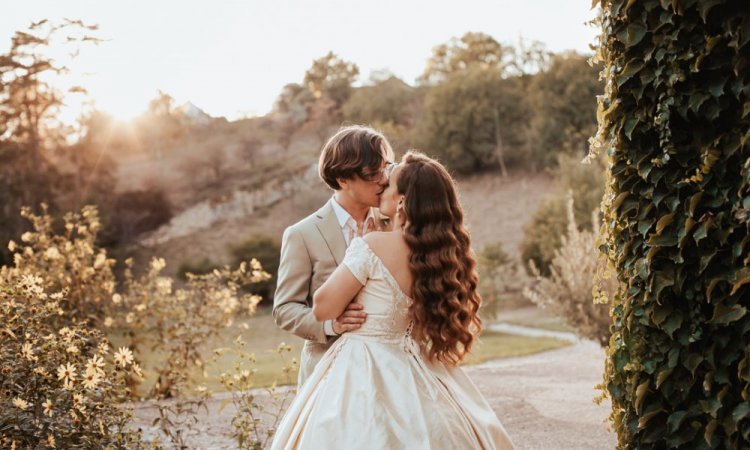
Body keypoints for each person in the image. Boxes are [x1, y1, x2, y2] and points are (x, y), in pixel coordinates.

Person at [270, 151, 515, 449]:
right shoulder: (437, 254)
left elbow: (323, 306)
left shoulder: (373, 243)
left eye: (388, 184)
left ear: (401, 202)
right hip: (412, 362)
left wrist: (359, 252)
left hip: (360, 364)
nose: (381, 187)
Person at [273, 125, 394, 385]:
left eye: (386, 168)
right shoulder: (301, 234)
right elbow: (284, 309)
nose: (384, 180)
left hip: (389, 370)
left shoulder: (394, 224)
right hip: (329, 373)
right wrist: (331, 325)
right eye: (373, 174)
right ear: (343, 179)